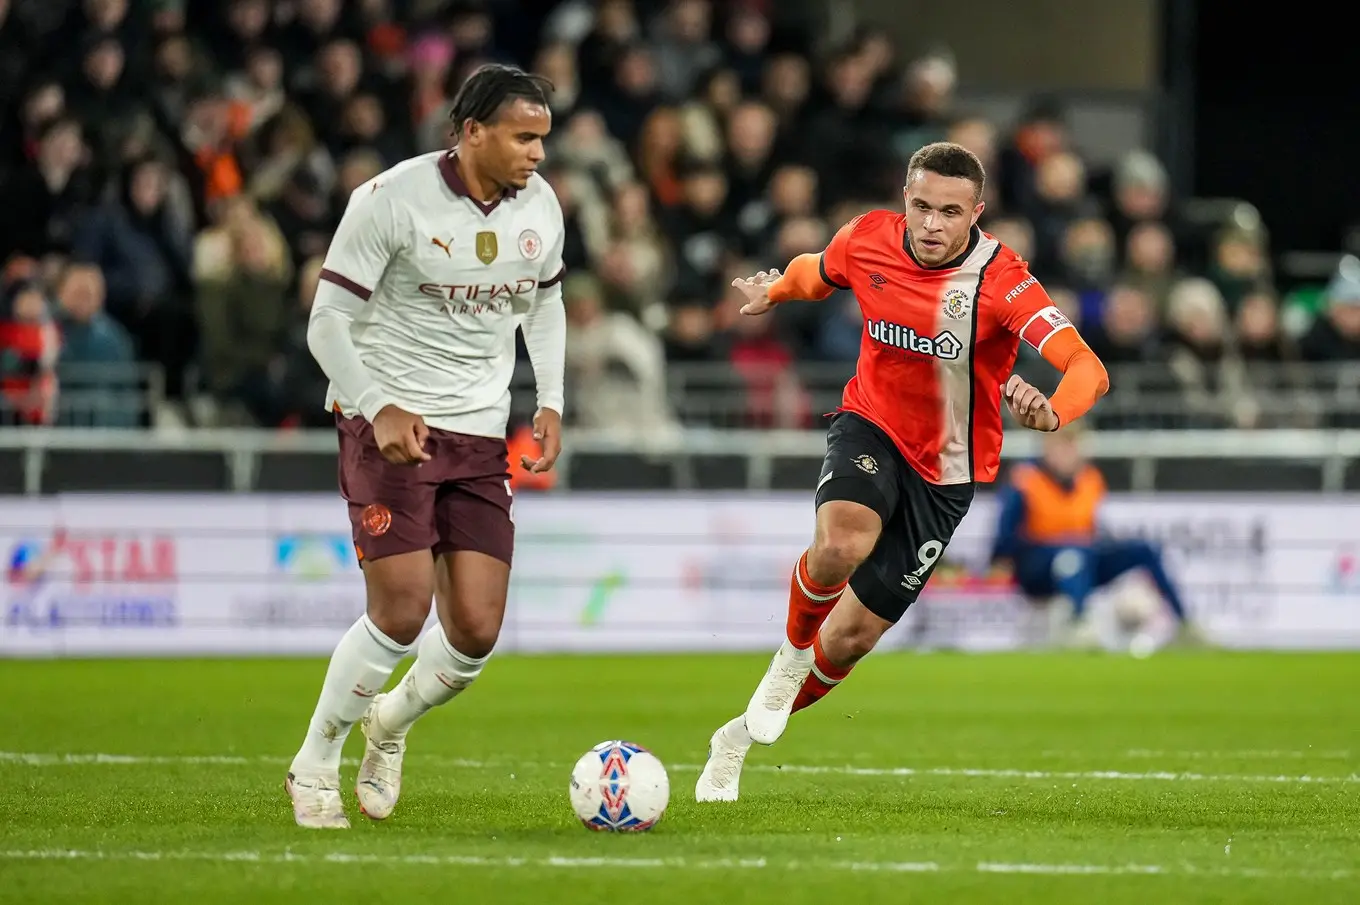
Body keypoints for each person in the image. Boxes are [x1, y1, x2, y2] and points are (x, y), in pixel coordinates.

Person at [694, 141, 1110, 802]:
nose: (933, 223)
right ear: (904, 200)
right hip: (872, 424)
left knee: (855, 634)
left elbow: (1088, 368)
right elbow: (817, 270)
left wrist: (1054, 413)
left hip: (947, 472)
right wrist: (773, 288)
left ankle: (736, 737)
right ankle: (789, 656)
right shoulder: (868, 238)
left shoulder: (1003, 282)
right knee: (840, 542)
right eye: (921, 206)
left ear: (977, 212)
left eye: (950, 211)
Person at [286, 64, 567, 829]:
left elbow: (545, 306)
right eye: (523, 136)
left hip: (478, 431)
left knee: (475, 629)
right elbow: (326, 324)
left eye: (543, 137)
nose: (538, 153)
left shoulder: (541, 207)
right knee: (403, 609)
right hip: (387, 422)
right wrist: (378, 406)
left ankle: (390, 723)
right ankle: (315, 758)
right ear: (471, 131)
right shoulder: (388, 201)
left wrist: (549, 401)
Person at [989, 426, 1205, 647]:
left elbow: (1092, 527)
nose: (1069, 454)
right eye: (1063, 446)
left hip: (1084, 557)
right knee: (1072, 555)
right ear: (1047, 448)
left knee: (1143, 549)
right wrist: (999, 562)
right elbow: (1006, 535)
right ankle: (1081, 623)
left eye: (1074, 447)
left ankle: (1184, 625)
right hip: (1037, 566)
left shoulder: (1089, 479)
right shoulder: (1025, 480)